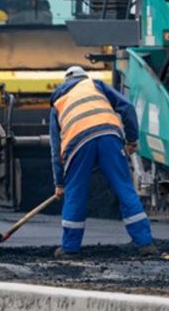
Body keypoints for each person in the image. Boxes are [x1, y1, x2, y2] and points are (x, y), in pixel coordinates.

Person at [49, 66, 156, 257]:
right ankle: (145, 243)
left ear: (66, 82)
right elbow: (127, 107)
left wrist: (59, 182)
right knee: (125, 189)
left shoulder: (58, 101)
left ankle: (70, 249)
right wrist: (132, 139)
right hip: (109, 136)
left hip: (77, 142)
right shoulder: (95, 85)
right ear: (84, 77)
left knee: (75, 193)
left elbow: (56, 148)